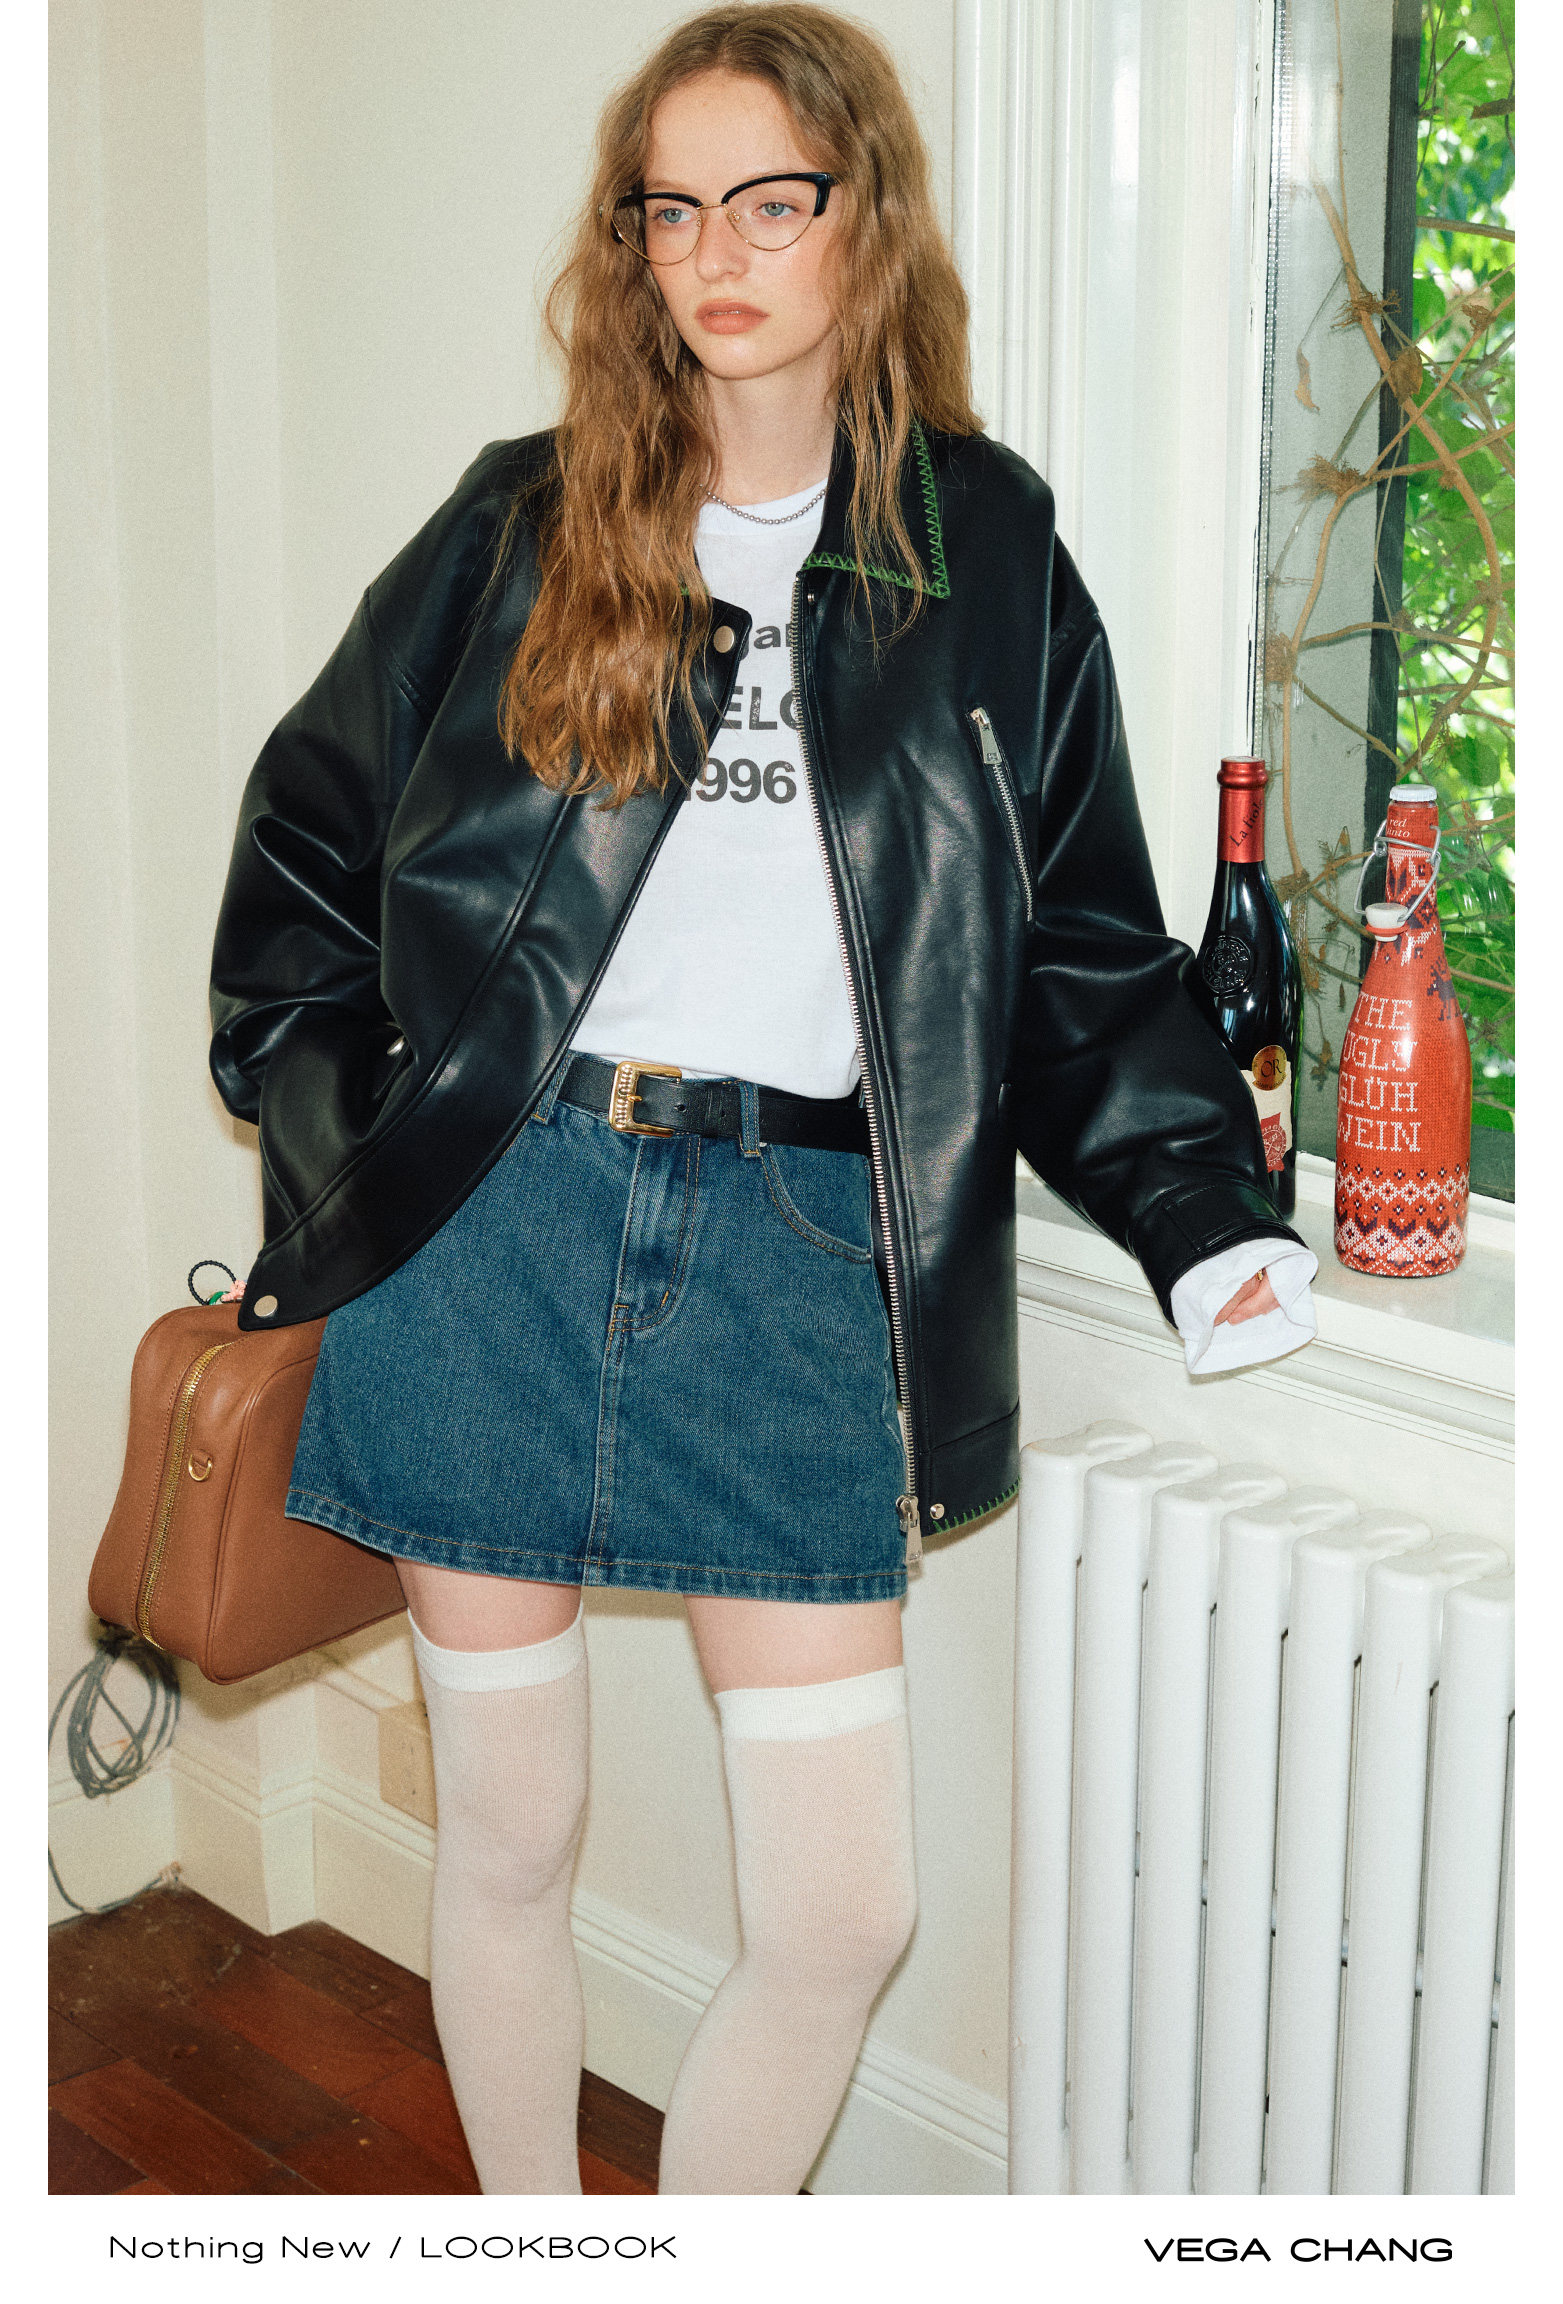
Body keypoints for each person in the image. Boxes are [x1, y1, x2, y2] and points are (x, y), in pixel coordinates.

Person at [208, 1, 1318, 2196]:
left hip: (802, 1256)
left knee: (837, 1914)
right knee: (508, 1834)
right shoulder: (519, 527)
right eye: (670, 209)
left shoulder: (983, 552)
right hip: (495, 1230)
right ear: (630, 244)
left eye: (769, 201)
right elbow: (303, 851)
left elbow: (1075, 942)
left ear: (861, 217)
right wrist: (360, 1151)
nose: (715, 251)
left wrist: (1203, 1215)